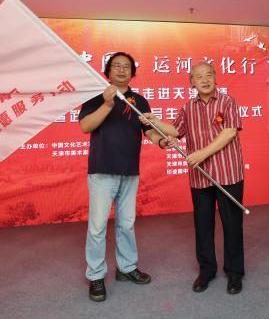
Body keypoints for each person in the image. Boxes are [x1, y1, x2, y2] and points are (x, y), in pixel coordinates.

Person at [79, 51, 178, 302]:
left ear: (132, 72)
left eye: (126, 66)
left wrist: (161, 141)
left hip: (130, 171)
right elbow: (86, 126)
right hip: (102, 171)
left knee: (126, 223)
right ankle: (96, 275)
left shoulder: (139, 101)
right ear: (108, 71)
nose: (122, 69)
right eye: (117, 65)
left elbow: (149, 131)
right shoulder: (96, 96)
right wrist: (107, 104)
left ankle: (126, 267)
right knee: (98, 227)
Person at [165, 61, 246, 295]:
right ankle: (207, 270)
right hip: (200, 176)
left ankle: (235, 273)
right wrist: (152, 120)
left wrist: (201, 154)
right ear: (192, 82)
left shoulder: (227, 101)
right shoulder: (187, 107)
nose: (205, 80)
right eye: (199, 77)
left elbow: (229, 132)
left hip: (228, 173)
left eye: (208, 75)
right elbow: (175, 130)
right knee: (203, 226)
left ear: (215, 77)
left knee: (232, 225)